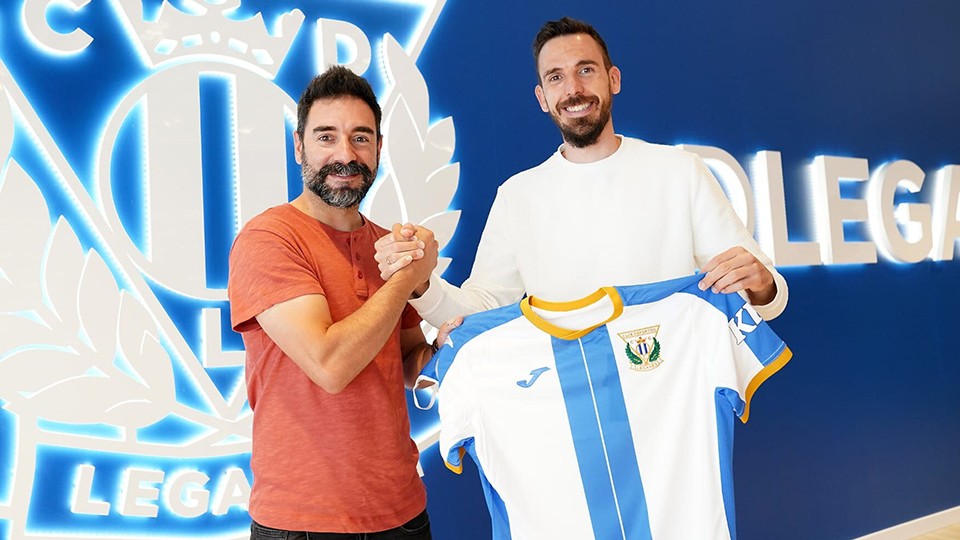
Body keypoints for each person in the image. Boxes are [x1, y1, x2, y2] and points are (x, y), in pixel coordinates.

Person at [374, 16, 788, 327]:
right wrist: (423, 283)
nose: (573, 89)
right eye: (556, 77)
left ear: (613, 80)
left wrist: (760, 283)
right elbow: (482, 309)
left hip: (676, 403)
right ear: (542, 97)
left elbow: (768, 292)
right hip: (570, 414)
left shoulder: (680, 171)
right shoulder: (518, 195)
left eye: (585, 70)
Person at [227, 66, 447, 539]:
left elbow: (408, 363)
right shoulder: (268, 239)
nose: (345, 155)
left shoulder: (388, 245)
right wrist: (408, 276)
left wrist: (452, 344)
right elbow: (330, 363)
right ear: (299, 146)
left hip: (403, 513)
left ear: (379, 150)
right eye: (326, 137)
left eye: (361, 138)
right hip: (302, 523)